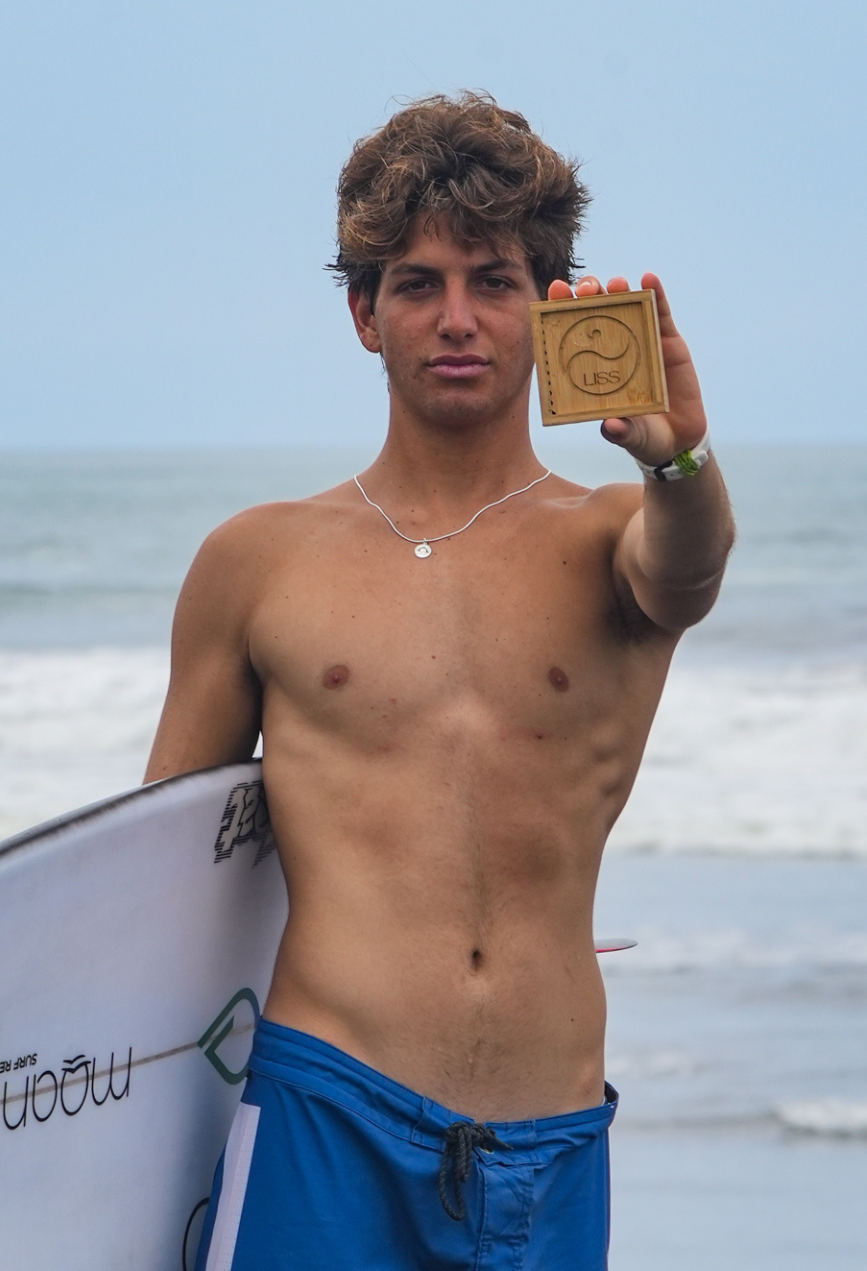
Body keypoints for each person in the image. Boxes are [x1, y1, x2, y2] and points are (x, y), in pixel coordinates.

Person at [145, 92, 735, 1271]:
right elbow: (156, 871)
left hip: (549, 1140)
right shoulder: (256, 562)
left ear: (548, 309)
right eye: (415, 284)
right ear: (363, 315)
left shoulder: (612, 535)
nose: (454, 318)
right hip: (322, 1112)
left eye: (492, 280)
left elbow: (689, 568)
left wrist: (677, 454)